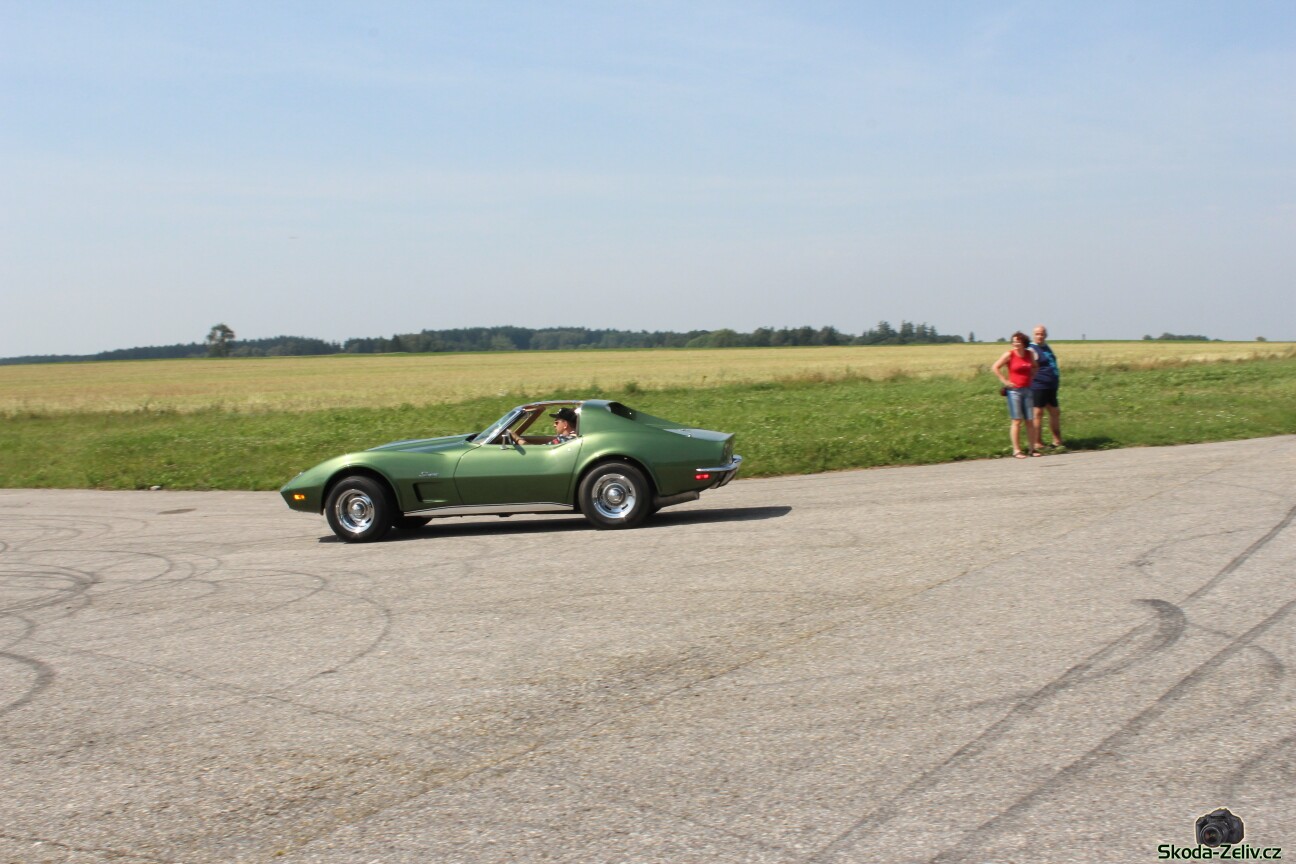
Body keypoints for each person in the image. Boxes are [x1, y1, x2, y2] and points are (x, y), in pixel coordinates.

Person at [992, 332, 1042, 458]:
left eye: (1018, 341)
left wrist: (1032, 376)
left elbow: (1035, 366)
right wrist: (1005, 381)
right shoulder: (1009, 354)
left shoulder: (1029, 354)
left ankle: (1032, 449)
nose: (1015, 343)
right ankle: (1016, 450)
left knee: (1029, 420)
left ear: (1024, 343)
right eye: (1014, 341)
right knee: (1017, 420)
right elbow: (995, 367)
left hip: (1028, 390)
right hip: (1014, 391)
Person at [1029, 324, 1063, 448]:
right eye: (1037, 334)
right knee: (1038, 413)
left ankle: (1057, 441)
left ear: (1046, 335)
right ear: (1034, 335)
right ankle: (1037, 442)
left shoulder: (1046, 347)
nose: (1040, 336)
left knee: (1055, 412)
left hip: (1051, 385)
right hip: (1039, 385)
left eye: (1042, 334)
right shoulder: (1031, 349)